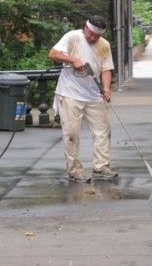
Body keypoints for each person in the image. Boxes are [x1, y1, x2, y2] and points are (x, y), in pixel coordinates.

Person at [48, 15, 117, 182]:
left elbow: (106, 69)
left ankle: (101, 167)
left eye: (97, 36)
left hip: (94, 95)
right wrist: (72, 59)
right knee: (71, 133)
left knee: (102, 132)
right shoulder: (73, 37)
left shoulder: (104, 45)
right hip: (70, 93)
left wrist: (106, 88)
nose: (93, 38)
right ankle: (74, 170)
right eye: (91, 34)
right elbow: (52, 53)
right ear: (85, 28)